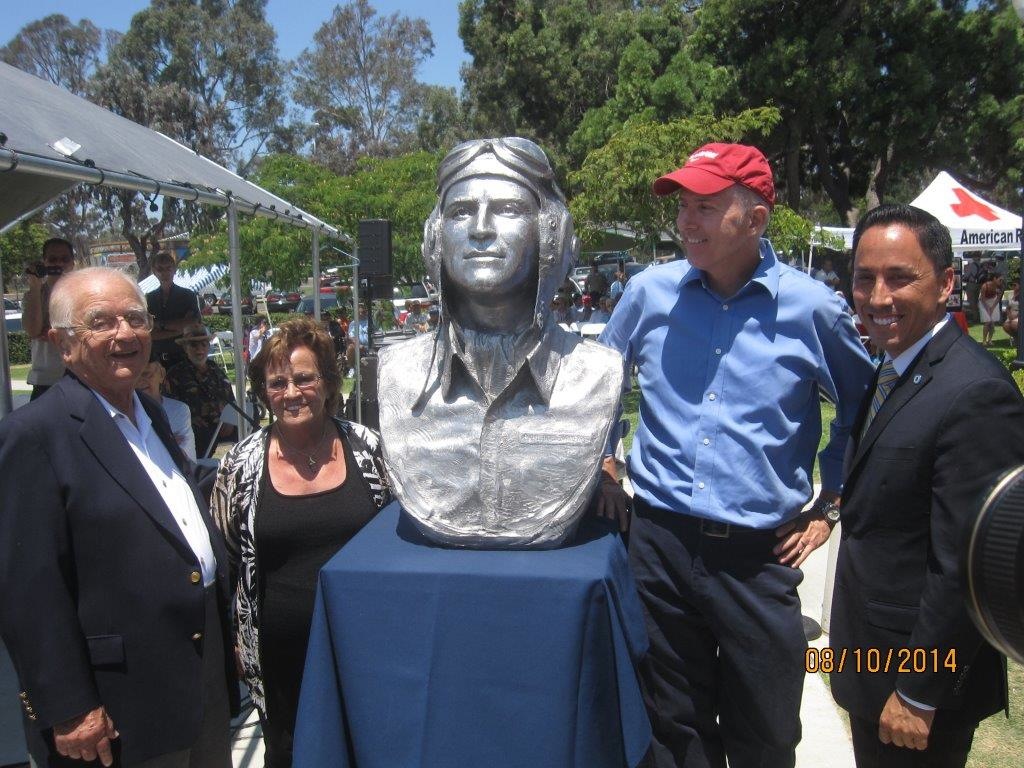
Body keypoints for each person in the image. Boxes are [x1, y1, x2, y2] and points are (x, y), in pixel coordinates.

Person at [597, 142, 875, 768]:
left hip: (757, 556)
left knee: (767, 732)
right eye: (683, 207)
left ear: (755, 218)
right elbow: (598, 386)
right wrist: (606, 466)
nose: (686, 221)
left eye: (706, 205)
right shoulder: (648, 293)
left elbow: (864, 410)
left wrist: (831, 503)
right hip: (658, 543)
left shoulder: (813, 310)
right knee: (674, 727)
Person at [0, 267, 235, 768]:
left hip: (197, 683)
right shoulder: (34, 435)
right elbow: (26, 589)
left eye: (135, 318)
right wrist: (67, 707)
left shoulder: (149, 415)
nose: (124, 333)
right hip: (116, 709)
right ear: (64, 344)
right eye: (101, 322)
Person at [829, 204, 1024, 767]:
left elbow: (965, 563)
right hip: (873, 662)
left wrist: (918, 692)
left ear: (944, 284)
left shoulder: (974, 393)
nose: (878, 297)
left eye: (899, 277)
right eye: (864, 279)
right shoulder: (896, 365)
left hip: (917, 686)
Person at [376, 136, 622, 549]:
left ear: (551, 236)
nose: (481, 229)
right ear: (435, 239)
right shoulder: (395, 373)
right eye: (460, 212)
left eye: (508, 209)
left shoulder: (599, 373)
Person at [212, 316, 389, 768]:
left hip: (365, 644)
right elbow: (226, 558)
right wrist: (233, 638)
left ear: (328, 382)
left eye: (305, 378)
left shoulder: (370, 449)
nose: (291, 393)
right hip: (279, 657)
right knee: (290, 755)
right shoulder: (240, 465)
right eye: (277, 382)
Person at [166, 325, 236, 458]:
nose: (200, 350)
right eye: (194, 345)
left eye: (204, 345)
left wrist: (230, 420)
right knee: (201, 436)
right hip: (198, 428)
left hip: (223, 423)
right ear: (185, 348)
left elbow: (230, 398)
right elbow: (172, 408)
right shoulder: (176, 374)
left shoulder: (215, 369)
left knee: (251, 426)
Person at [21, 237, 76, 400]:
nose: (58, 264)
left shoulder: (83, 294)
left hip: (78, 375)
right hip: (44, 380)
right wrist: (35, 287)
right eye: (52, 259)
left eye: (64, 259)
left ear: (72, 262)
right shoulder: (34, 294)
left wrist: (58, 334)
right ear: (44, 262)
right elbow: (33, 330)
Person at [146, 250, 201, 369]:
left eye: (168, 268)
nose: (164, 272)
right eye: (160, 269)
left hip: (183, 358)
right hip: (156, 360)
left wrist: (159, 325)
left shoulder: (187, 295)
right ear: (154, 272)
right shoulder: (149, 299)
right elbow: (148, 333)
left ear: (174, 270)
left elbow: (191, 324)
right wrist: (178, 330)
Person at [137, 357, 198, 461]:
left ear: (161, 374)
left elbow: (181, 457)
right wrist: (167, 441)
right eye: (134, 376)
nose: (139, 381)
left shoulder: (178, 410)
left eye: (146, 374)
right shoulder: (124, 415)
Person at [977, 274, 1002, 346]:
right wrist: (987, 308)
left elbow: (998, 298)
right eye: (999, 279)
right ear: (994, 278)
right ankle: (984, 340)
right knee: (987, 321)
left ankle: (990, 340)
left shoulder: (1000, 286)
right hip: (983, 302)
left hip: (993, 302)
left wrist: (993, 307)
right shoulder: (985, 286)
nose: (1001, 281)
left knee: (992, 323)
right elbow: (982, 298)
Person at [961, 253, 983, 323]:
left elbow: (967, 276)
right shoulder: (981, 265)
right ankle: (977, 316)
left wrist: (962, 278)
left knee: (972, 301)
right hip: (979, 284)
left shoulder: (971, 265)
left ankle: (975, 318)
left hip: (971, 284)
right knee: (976, 301)